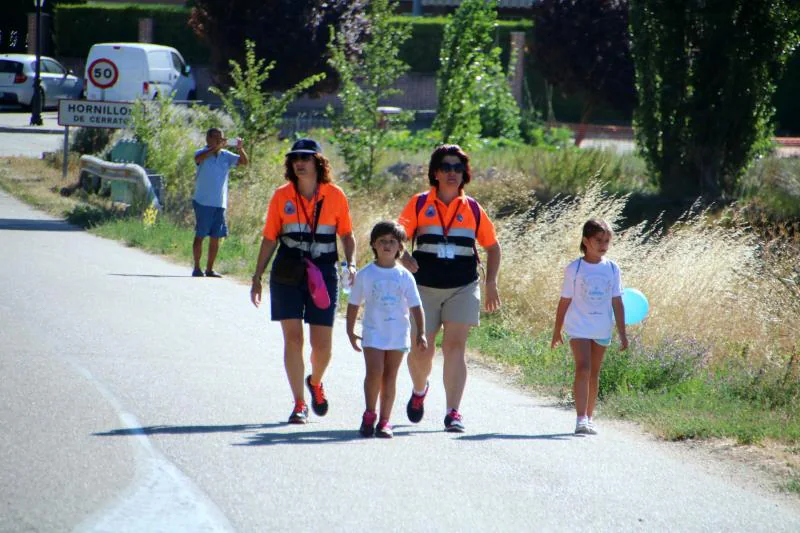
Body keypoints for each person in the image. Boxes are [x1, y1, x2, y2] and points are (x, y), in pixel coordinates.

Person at [250, 138, 357, 424]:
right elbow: (270, 238)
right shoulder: (281, 196)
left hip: (323, 272)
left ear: (318, 163)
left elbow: (347, 235)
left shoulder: (335, 195)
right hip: (287, 271)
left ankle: (316, 382)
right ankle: (299, 403)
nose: (299, 162)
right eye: (295, 157)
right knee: (293, 339)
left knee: (322, 347)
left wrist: (352, 263)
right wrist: (257, 276)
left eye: (306, 158)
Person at [398, 144, 501, 433]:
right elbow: (396, 237)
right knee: (422, 350)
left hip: (463, 287)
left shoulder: (473, 209)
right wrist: (403, 256)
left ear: (464, 174)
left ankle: (453, 412)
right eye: (446, 167)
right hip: (424, 289)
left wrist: (491, 282)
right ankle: (420, 390)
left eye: (458, 168)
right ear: (435, 172)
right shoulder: (419, 203)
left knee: (456, 348)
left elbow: (493, 247)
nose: (452, 172)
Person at [346, 221, 427, 439]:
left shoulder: (405, 276)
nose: (387, 245)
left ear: (400, 247)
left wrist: (421, 332)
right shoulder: (366, 274)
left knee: (390, 377)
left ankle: (384, 421)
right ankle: (369, 414)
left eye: (392, 241)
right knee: (374, 374)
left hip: (398, 335)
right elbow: (354, 303)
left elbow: (416, 305)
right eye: (382, 241)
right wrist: (350, 330)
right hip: (373, 333)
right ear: (374, 244)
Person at [550, 218, 628, 435]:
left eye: (607, 241)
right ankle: (580, 418)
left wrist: (622, 333)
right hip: (579, 327)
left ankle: (590, 417)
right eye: (598, 240)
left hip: (602, 327)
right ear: (586, 240)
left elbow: (617, 301)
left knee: (594, 372)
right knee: (583, 368)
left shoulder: (612, 269)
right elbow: (564, 300)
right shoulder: (574, 269)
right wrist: (557, 330)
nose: (603, 245)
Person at [192, 127, 249, 278]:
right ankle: (197, 268)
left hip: (219, 202)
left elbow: (244, 162)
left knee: (216, 237)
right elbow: (198, 159)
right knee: (200, 235)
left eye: (221, 138)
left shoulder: (225, 155)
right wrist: (216, 148)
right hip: (203, 201)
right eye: (216, 138)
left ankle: (209, 269)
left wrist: (240, 148)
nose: (219, 140)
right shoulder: (201, 153)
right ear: (208, 139)